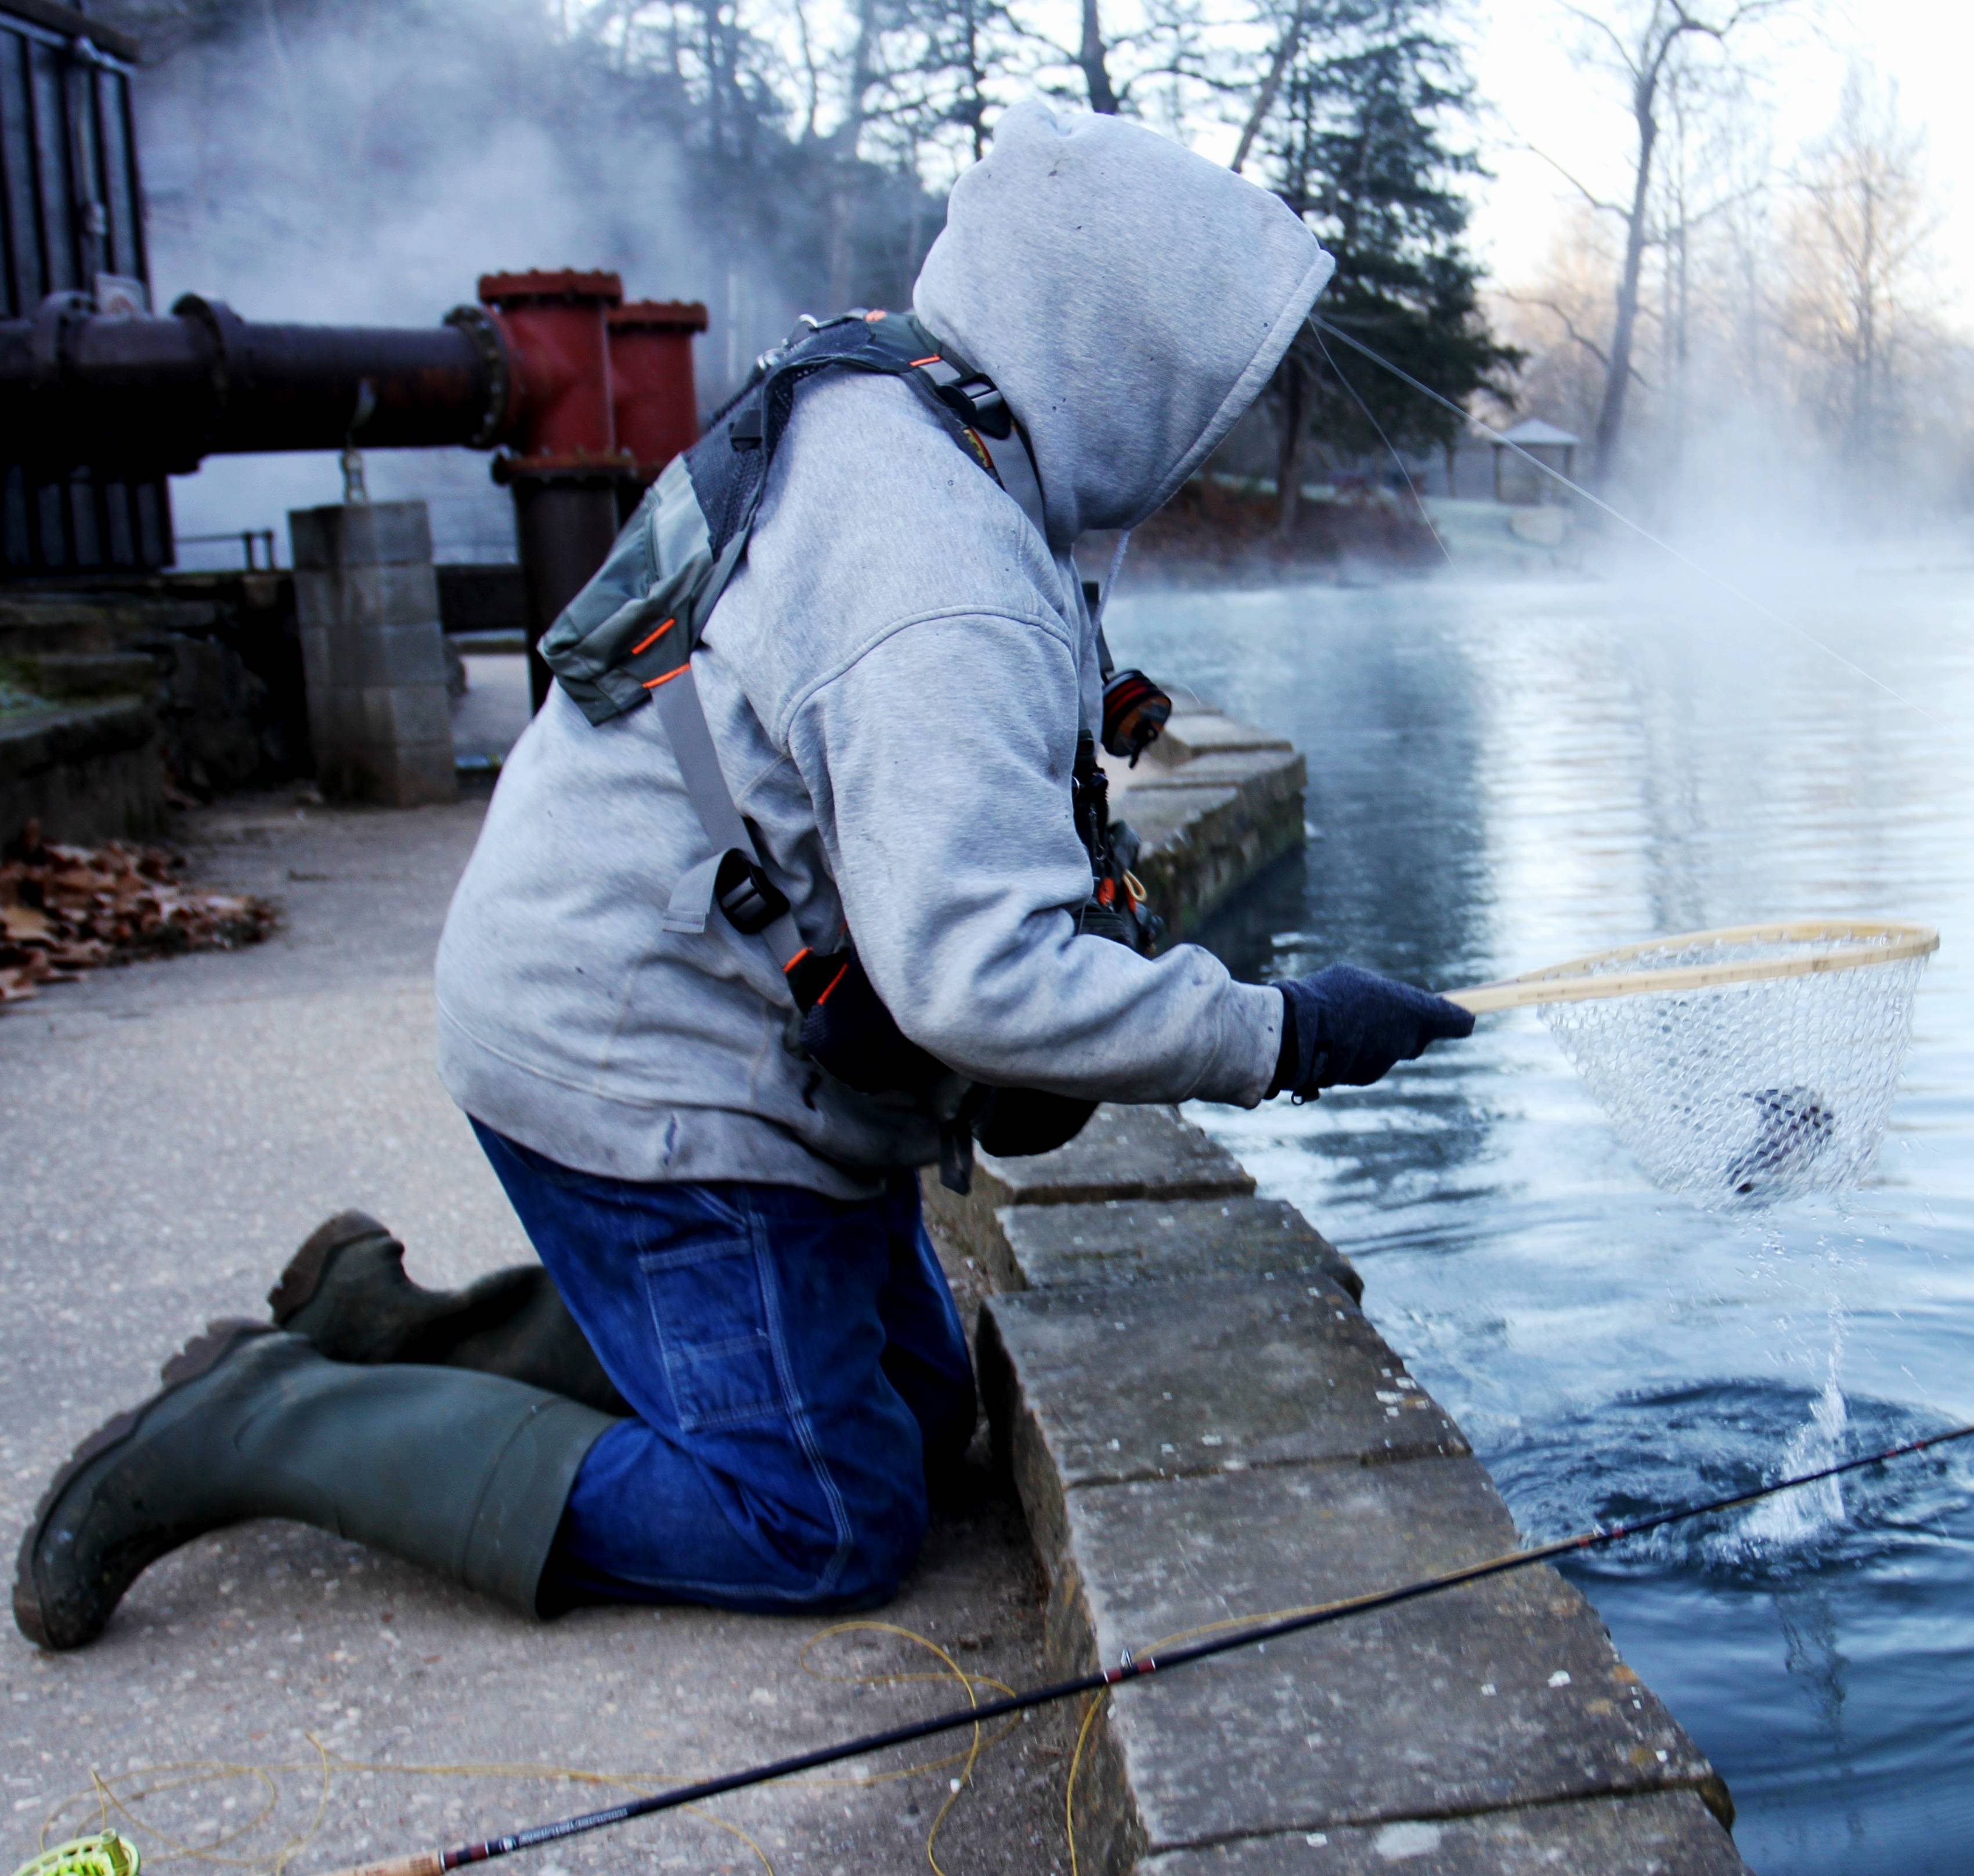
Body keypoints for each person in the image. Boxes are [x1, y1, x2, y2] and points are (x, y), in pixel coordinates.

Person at [15, 104, 1471, 1651]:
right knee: (826, 1509)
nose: (1206, 438)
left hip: (673, 1006)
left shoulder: (921, 414)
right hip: (642, 1062)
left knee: (921, 1404)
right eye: (1197, 384)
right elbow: (976, 976)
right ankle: (269, 1423)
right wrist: (1285, 1033)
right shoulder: (938, 570)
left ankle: (382, 1328)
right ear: (1111, 350)